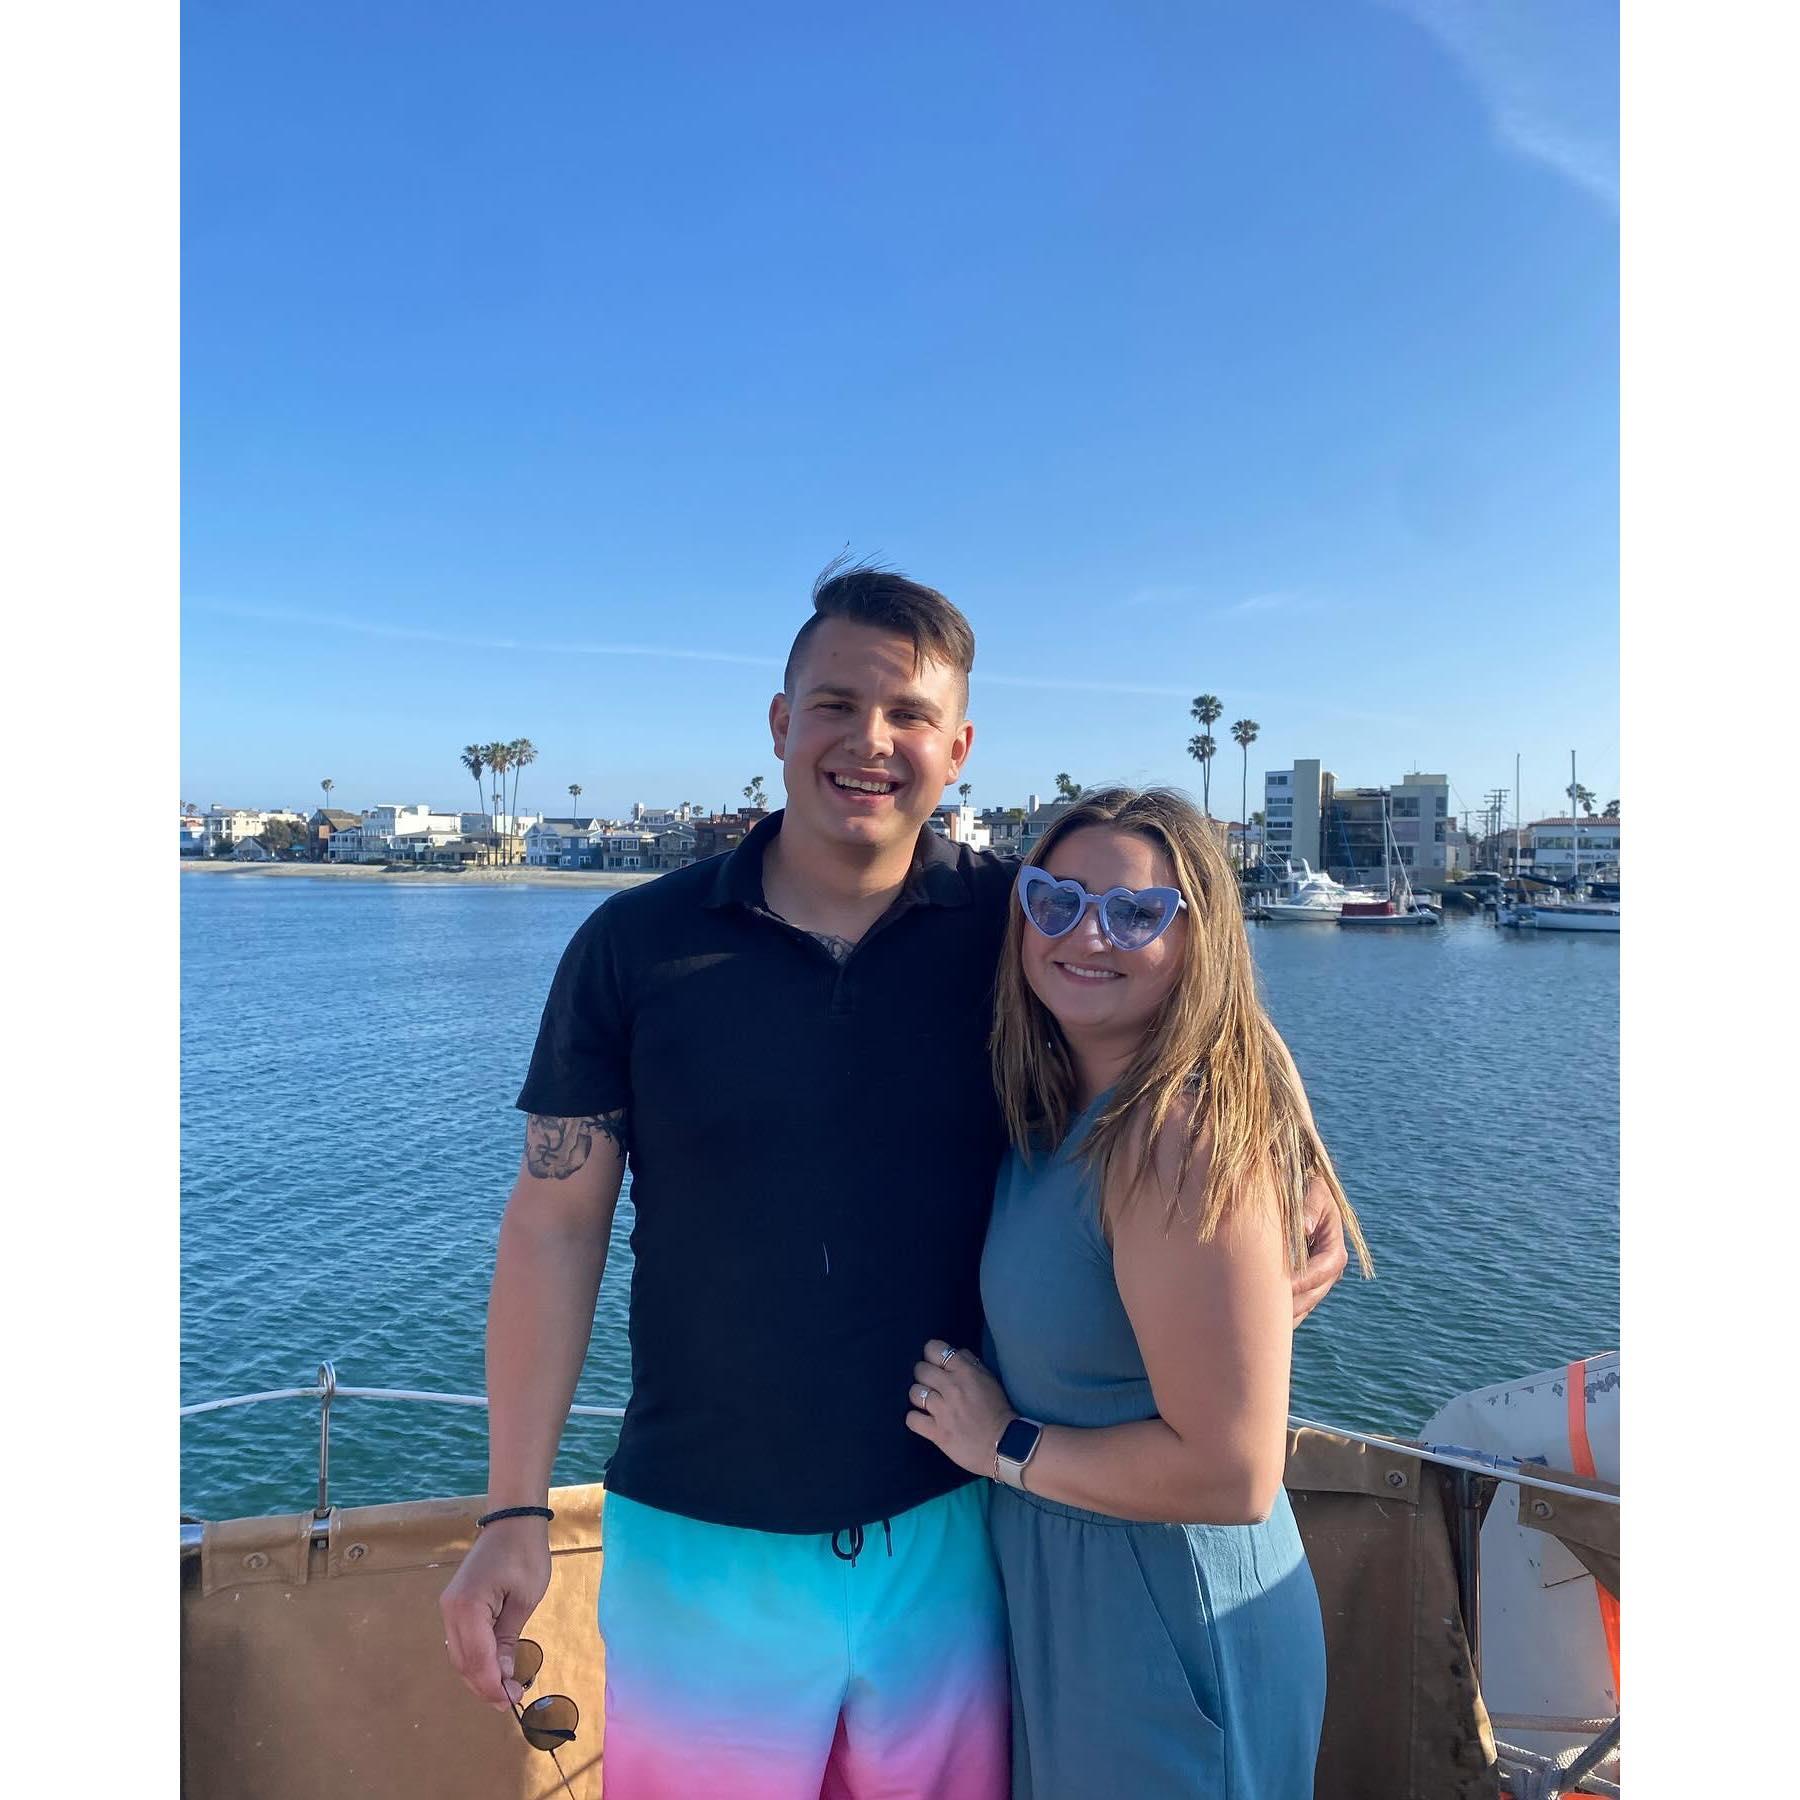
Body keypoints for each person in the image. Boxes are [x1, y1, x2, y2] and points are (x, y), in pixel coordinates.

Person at [440, 565, 1350, 1800]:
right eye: (835, 705)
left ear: (957, 749)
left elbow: (1189, 986)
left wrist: (1297, 1151)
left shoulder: (1011, 924)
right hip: (701, 1544)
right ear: (780, 722)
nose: (870, 741)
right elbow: (555, 1226)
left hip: (953, 1535)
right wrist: (512, 1511)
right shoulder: (634, 947)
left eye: (910, 714)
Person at [905, 786, 1372, 1799]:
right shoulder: (1068, 1106)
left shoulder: (1175, 1140)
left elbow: (1234, 1475)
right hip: (1071, 1604)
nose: (1087, 934)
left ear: (1196, 938)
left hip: (1169, 1625)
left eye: (1136, 913)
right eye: (1058, 901)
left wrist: (1003, 1443)